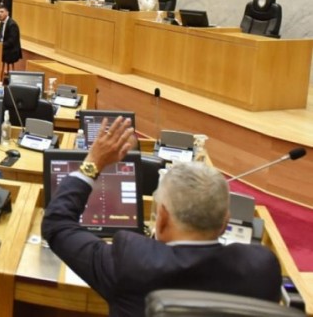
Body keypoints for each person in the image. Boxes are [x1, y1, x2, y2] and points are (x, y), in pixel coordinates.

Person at [42, 116, 282, 317]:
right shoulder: (261, 267)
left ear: (163, 218)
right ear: (225, 223)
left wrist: (93, 163)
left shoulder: (132, 260)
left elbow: (57, 224)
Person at [0, 6, 22, 76]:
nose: (0, 14)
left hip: (11, 50)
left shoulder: (12, 25)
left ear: (7, 13)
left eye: (2, 12)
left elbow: (12, 41)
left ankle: (3, 75)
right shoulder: (1, 23)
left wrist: (0, 45)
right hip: (5, 47)